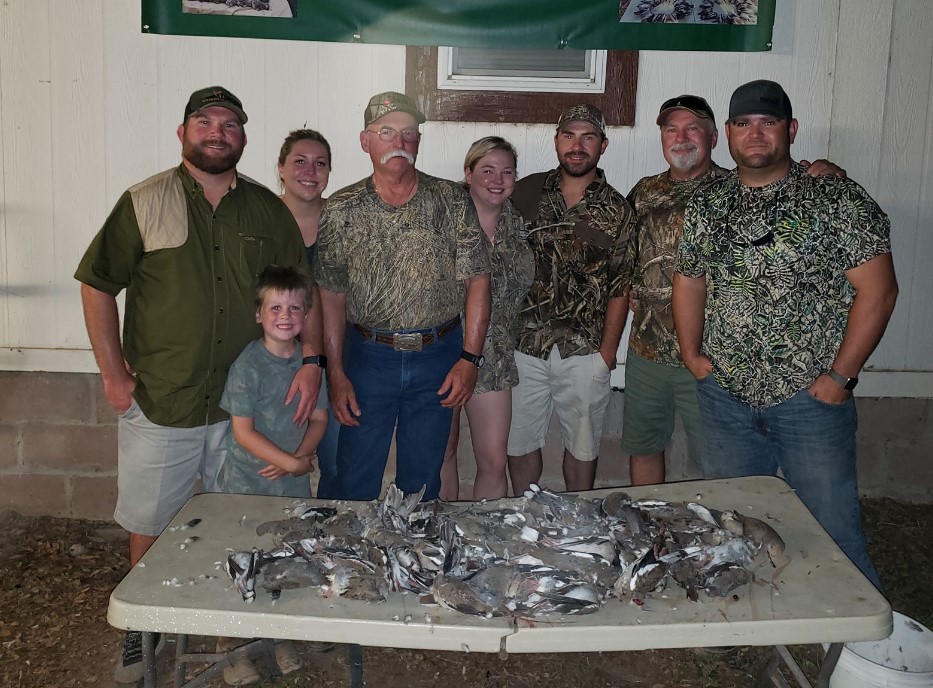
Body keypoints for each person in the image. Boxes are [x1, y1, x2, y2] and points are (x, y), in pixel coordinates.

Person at [74, 86, 320, 684]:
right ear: (182, 133)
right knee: (152, 520)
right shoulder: (143, 201)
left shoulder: (267, 211)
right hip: (164, 398)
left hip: (247, 408)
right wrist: (113, 373)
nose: (217, 131)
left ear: (243, 137)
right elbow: (97, 282)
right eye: (204, 122)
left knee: (242, 518)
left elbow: (302, 292)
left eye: (229, 123)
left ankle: (234, 627)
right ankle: (143, 632)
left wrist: (312, 361)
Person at [673, 80, 898, 590]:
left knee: (833, 524)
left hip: (809, 399)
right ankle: (734, 616)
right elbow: (689, 278)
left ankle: (854, 642)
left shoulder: (835, 198)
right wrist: (692, 355)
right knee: (731, 518)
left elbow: (879, 291)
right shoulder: (709, 202)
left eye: (767, 122)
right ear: (727, 134)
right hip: (725, 396)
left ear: (790, 130)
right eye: (744, 123)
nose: (755, 134)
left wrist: (841, 376)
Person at [624, 95, 847, 486]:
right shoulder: (643, 192)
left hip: (714, 358)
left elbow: (788, 186)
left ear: (714, 136)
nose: (681, 137)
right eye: (671, 129)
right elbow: (624, 260)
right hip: (646, 350)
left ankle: (709, 532)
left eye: (693, 128)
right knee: (644, 447)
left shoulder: (738, 188)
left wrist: (826, 174)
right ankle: (650, 529)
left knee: (713, 462)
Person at [314, 91, 491, 501]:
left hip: (438, 358)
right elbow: (331, 295)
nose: (400, 142)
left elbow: (478, 281)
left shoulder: (450, 200)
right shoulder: (341, 209)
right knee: (355, 473)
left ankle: (416, 561)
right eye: (387, 131)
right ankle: (355, 563)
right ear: (365, 141)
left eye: (410, 133)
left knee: (424, 478)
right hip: (368, 359)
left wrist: (469, 359)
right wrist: (336, 372)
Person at [506, 104, 637, 495]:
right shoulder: (525, 192)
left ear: (603, 145)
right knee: (520, 441)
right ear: (557, 141)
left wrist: (607, 355)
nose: (577, 146)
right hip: (524, 345)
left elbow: (620, 285)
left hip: (585, 352)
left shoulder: (618, 210)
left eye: (588, 137)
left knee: (582, 446)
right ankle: (523, 515)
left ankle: (578, 515)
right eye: (569, 136)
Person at [214, 265, 324, 684]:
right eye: (275, 307)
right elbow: (242, 431)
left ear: (306, 315)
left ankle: (277, 633)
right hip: (245, 485)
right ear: (259, 314)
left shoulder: (310, 365)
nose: (285, 315)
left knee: (283, 556)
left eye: (295, 307)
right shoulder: (248, 365)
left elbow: (319, 418)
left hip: (291, 487)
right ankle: (233, 644)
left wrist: (298, 458)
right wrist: (292, 461)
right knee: (241, 559)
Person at [439, 137, 535, 500]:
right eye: (488, 170)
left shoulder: (519, 223)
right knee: (442, 452)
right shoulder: (445, 220)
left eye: (507, 171)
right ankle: (440, 538)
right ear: (468, 173)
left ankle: (485, 544)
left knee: (493, 461)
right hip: (443, 351)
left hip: (494, 359)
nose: (498, 179)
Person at [276, 129, 340, 498]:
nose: (310, 171)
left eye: (320, 164)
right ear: (281, 168)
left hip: (336, 358)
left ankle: (331, 542)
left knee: (334, 458)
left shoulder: (344, 221)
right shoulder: (262, 221)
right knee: (278, 457)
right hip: (275, 359)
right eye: (299, 161)